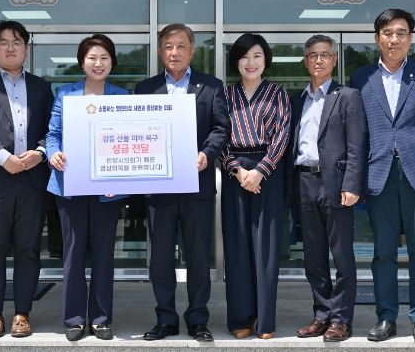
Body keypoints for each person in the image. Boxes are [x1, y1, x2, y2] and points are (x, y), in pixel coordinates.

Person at [350, 9, 415, 345]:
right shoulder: (361, 77)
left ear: (410, 38)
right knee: (383, 252)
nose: (394, 39)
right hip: (378, 173)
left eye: (401, 33)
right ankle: (386, 317)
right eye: (388, 33)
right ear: (377, 38)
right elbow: (357, 132)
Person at [134, 23, 230, 342]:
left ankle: (198, 319)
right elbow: (136, 131)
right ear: (160, 51)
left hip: (197, 185)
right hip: (158, 187)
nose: (174, 52)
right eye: (168, 46)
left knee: (198, 256)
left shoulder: (211, 86)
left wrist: (207, 153)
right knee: (160, 258)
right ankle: (165, 319)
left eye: (181, 46)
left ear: (192, 51)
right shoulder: (145, 88)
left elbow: (221, 128)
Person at [0, 20, 54, 338]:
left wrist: (40, 152)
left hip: (32, 181)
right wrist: (4, 158)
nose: (10, 47)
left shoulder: (42, 87)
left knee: (28, 250)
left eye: (17, 42)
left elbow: (53, 128)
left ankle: (21, 314)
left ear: (26, 48)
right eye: (3, 42)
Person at [46, 34, 128, 341]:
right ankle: (74, 319)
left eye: (104, 58)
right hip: (71, 184)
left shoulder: (122, 96)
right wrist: (53, 153)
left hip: (108, 189)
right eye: (92, 57)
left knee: (104, 254)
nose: (98, 63)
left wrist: (120, 178)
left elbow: (128, 139)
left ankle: (101, 319)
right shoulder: (66, 94)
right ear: (82, 62)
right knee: (74, 254)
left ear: (112, 63)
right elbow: (53, 134)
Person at [287, 35, 367, 342]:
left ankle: (341, 320)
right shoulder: (297, 100)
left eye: (324, 55)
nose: (318, 60)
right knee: (313, 255)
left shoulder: (348, 96)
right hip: (304, 181)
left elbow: (357, 145)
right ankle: (322, 315)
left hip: (336, 184)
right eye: (312, 55)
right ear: (305, 61)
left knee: (342, 255)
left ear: (334, 60)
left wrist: (352, 184)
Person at [221, 33, 290, 339]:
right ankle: (241, 318)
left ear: (266, 61)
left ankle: (265, 321)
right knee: (236, 247)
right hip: (234, 171)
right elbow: (218, 134)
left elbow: (282, 136)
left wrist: (260, 171)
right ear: (236, 61)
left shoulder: (278, 94)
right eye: (244, 56)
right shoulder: (225, 95)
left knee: (266, 247)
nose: (251, 62)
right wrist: (237, 170)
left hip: (268, 172)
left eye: (257, 56)